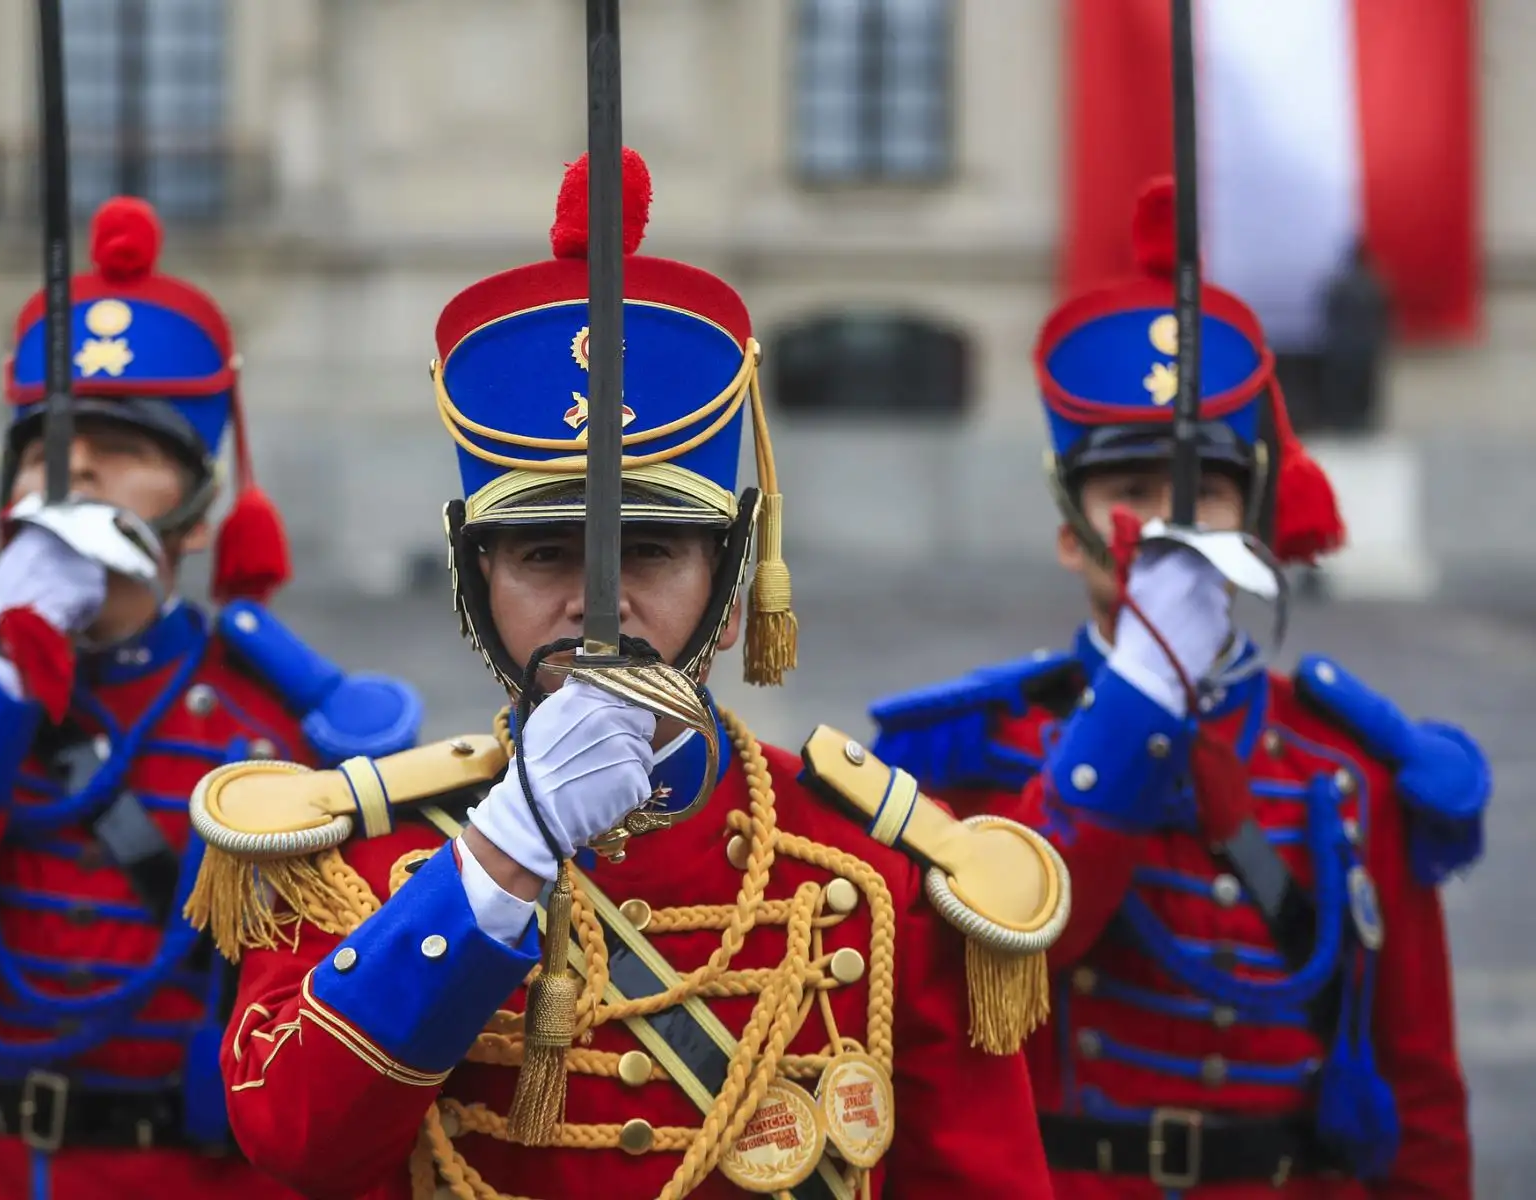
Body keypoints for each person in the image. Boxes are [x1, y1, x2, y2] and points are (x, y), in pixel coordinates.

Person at [183, 150, 1065, 1200]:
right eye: (544, 555)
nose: (596, 608)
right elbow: (295, 1138)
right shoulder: (363, 863)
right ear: (476, 586)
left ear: (731, 589)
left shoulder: (873, 874)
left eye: (647, 553)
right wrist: (500, 858)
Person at [0, 197, 422, 1199]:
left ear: (199, 515)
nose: (76, 464)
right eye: (45, 447)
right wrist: (1, 674)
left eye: (124, 443)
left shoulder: (281, 727)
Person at [869, 179, 1484, 1198]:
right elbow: (993, 981)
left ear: (1254, 520)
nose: (1172, 524)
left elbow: (1420, 1094)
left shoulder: (1348, 763)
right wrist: (1140, 701)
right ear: (1071, 534)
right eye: (1133, 493)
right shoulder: (971, 752)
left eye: (1206, 491)